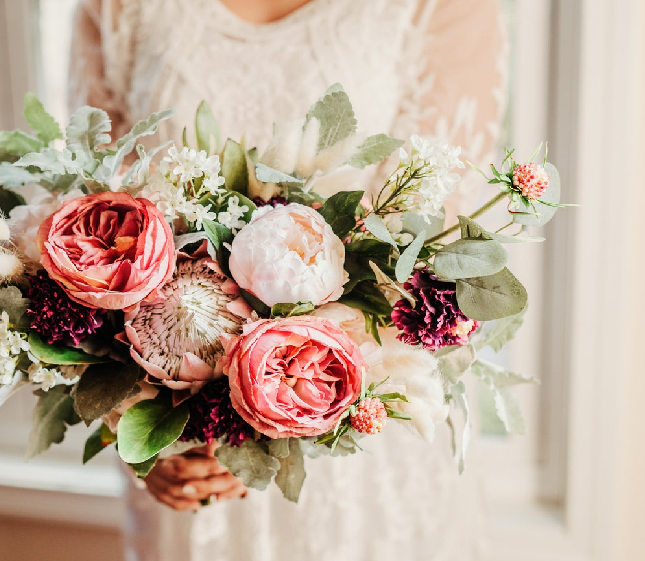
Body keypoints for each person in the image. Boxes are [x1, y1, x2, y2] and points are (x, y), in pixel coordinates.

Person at [68, 0, 506, 559]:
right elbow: (94, 222)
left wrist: (273, 396)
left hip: (359, 423)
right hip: (185, 439)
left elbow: (433, 249)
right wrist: (136, 427)